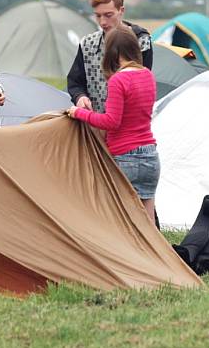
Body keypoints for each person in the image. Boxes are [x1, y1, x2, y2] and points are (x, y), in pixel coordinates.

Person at [67, 26, 159, 223]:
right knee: (149, 224)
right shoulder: (148, 75)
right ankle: (155, 254)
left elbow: (111, 121)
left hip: (126, 157)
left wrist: (80, 113)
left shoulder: (119, 80)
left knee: (123, 223)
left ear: (114, 52)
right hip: (151, 155)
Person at [67, 0, 153, 113]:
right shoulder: (87, 44)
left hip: (127, 125)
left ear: (121, 11)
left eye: (108, 15)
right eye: (98, 16)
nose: (102, 22)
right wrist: (80, 97)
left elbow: (142, 88)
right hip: (93, 125)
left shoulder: (140, 41)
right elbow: (75, 82)